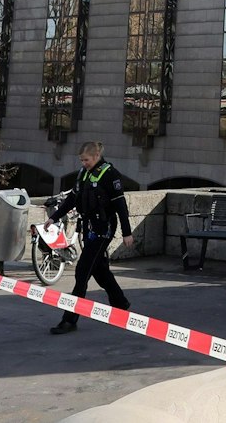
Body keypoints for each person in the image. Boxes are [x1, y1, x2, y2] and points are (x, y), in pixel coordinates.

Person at [46, 141, 135, 334]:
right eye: (81, 160)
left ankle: (69, 320)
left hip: (104, 229)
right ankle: (120, 303)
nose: (83, 163)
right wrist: (54, 217)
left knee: (82, 272)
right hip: (89, 228)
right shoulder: (84, 174)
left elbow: (121, 206)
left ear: (96, 156)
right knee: (100, 270)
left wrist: (127, 233)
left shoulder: (110, 174)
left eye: (86, 159)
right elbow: (72, 199)